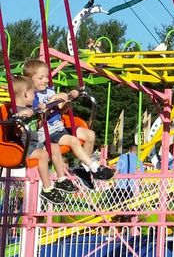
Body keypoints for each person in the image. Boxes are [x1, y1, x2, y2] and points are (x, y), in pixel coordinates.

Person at [23, 59, 114, 188]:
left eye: (46, 77)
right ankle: (95, 167)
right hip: (48, 131)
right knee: (74, 141)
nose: (45, 80)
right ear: (30, 80)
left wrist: (67, 99)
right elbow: (38, 116)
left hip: (60, 126)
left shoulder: (50, 90)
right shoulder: (32, 96)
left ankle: (82, 168)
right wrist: (50, 104)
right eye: (41, 78)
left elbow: (61, 109)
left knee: (90, 135)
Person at [11, 77, 67, 206]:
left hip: (33, 144)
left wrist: (42, 114)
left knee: (53, 146)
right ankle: (47, 189)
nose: (34, 96)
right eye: (32, 93)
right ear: (25, 94)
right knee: (43, 155)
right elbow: (18, 122)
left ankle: (61, 179)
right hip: (23, 148)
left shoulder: (30, 108)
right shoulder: (16, 110)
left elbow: (37, 126)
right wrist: (27, 113)